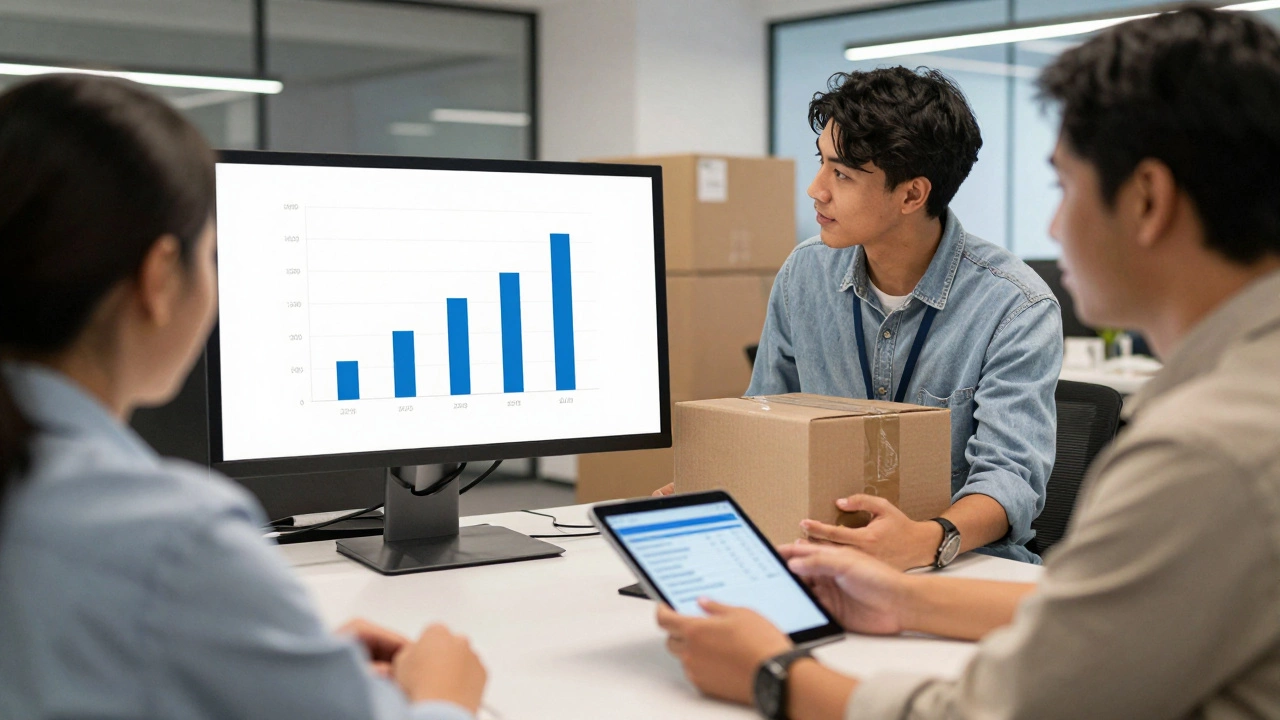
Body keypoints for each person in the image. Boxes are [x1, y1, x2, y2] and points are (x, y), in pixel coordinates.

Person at [656, 6, 1280, 719]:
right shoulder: (1237, 403)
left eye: (1063, 187)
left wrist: (773, 677)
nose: (1051, 226)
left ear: (1146, 199)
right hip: (847, 572)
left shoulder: (1202, 450)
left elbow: (1008, 705)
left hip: (952, 580)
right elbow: (1125, 627)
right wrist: (900, 595)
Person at [0, 75, 486, 720]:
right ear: (159, 278)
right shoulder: (175, 535)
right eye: (212, 255)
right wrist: (447, 695)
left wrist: (256, 654)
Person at [659, 68, 1062, 569]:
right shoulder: (805, 273)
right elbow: (763, 418)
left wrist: (922, 541)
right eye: (821, 163)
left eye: (842, 174)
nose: (816, 189)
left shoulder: (1015, 306)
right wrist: (718, 485)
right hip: (817, 550)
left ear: (912, 195)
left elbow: (1010, 481)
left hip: (961, 562)